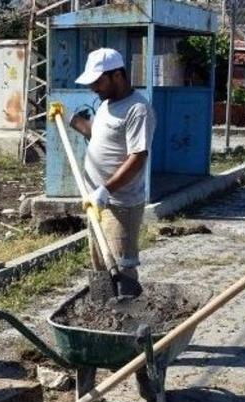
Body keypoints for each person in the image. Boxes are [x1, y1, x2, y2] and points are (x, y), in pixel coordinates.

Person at [67, 47, 156, 283]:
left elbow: (138, 157)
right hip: (97, 202)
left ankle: (128, 314)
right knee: (100, 267)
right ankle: (106, 315)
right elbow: (97, 136)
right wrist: (71, 120)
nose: (93, 88)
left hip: (119, 205)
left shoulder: (138, 109)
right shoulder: (107, 104)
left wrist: (105, 191)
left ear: (117, 75)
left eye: (98, 82)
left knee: (120, 269)